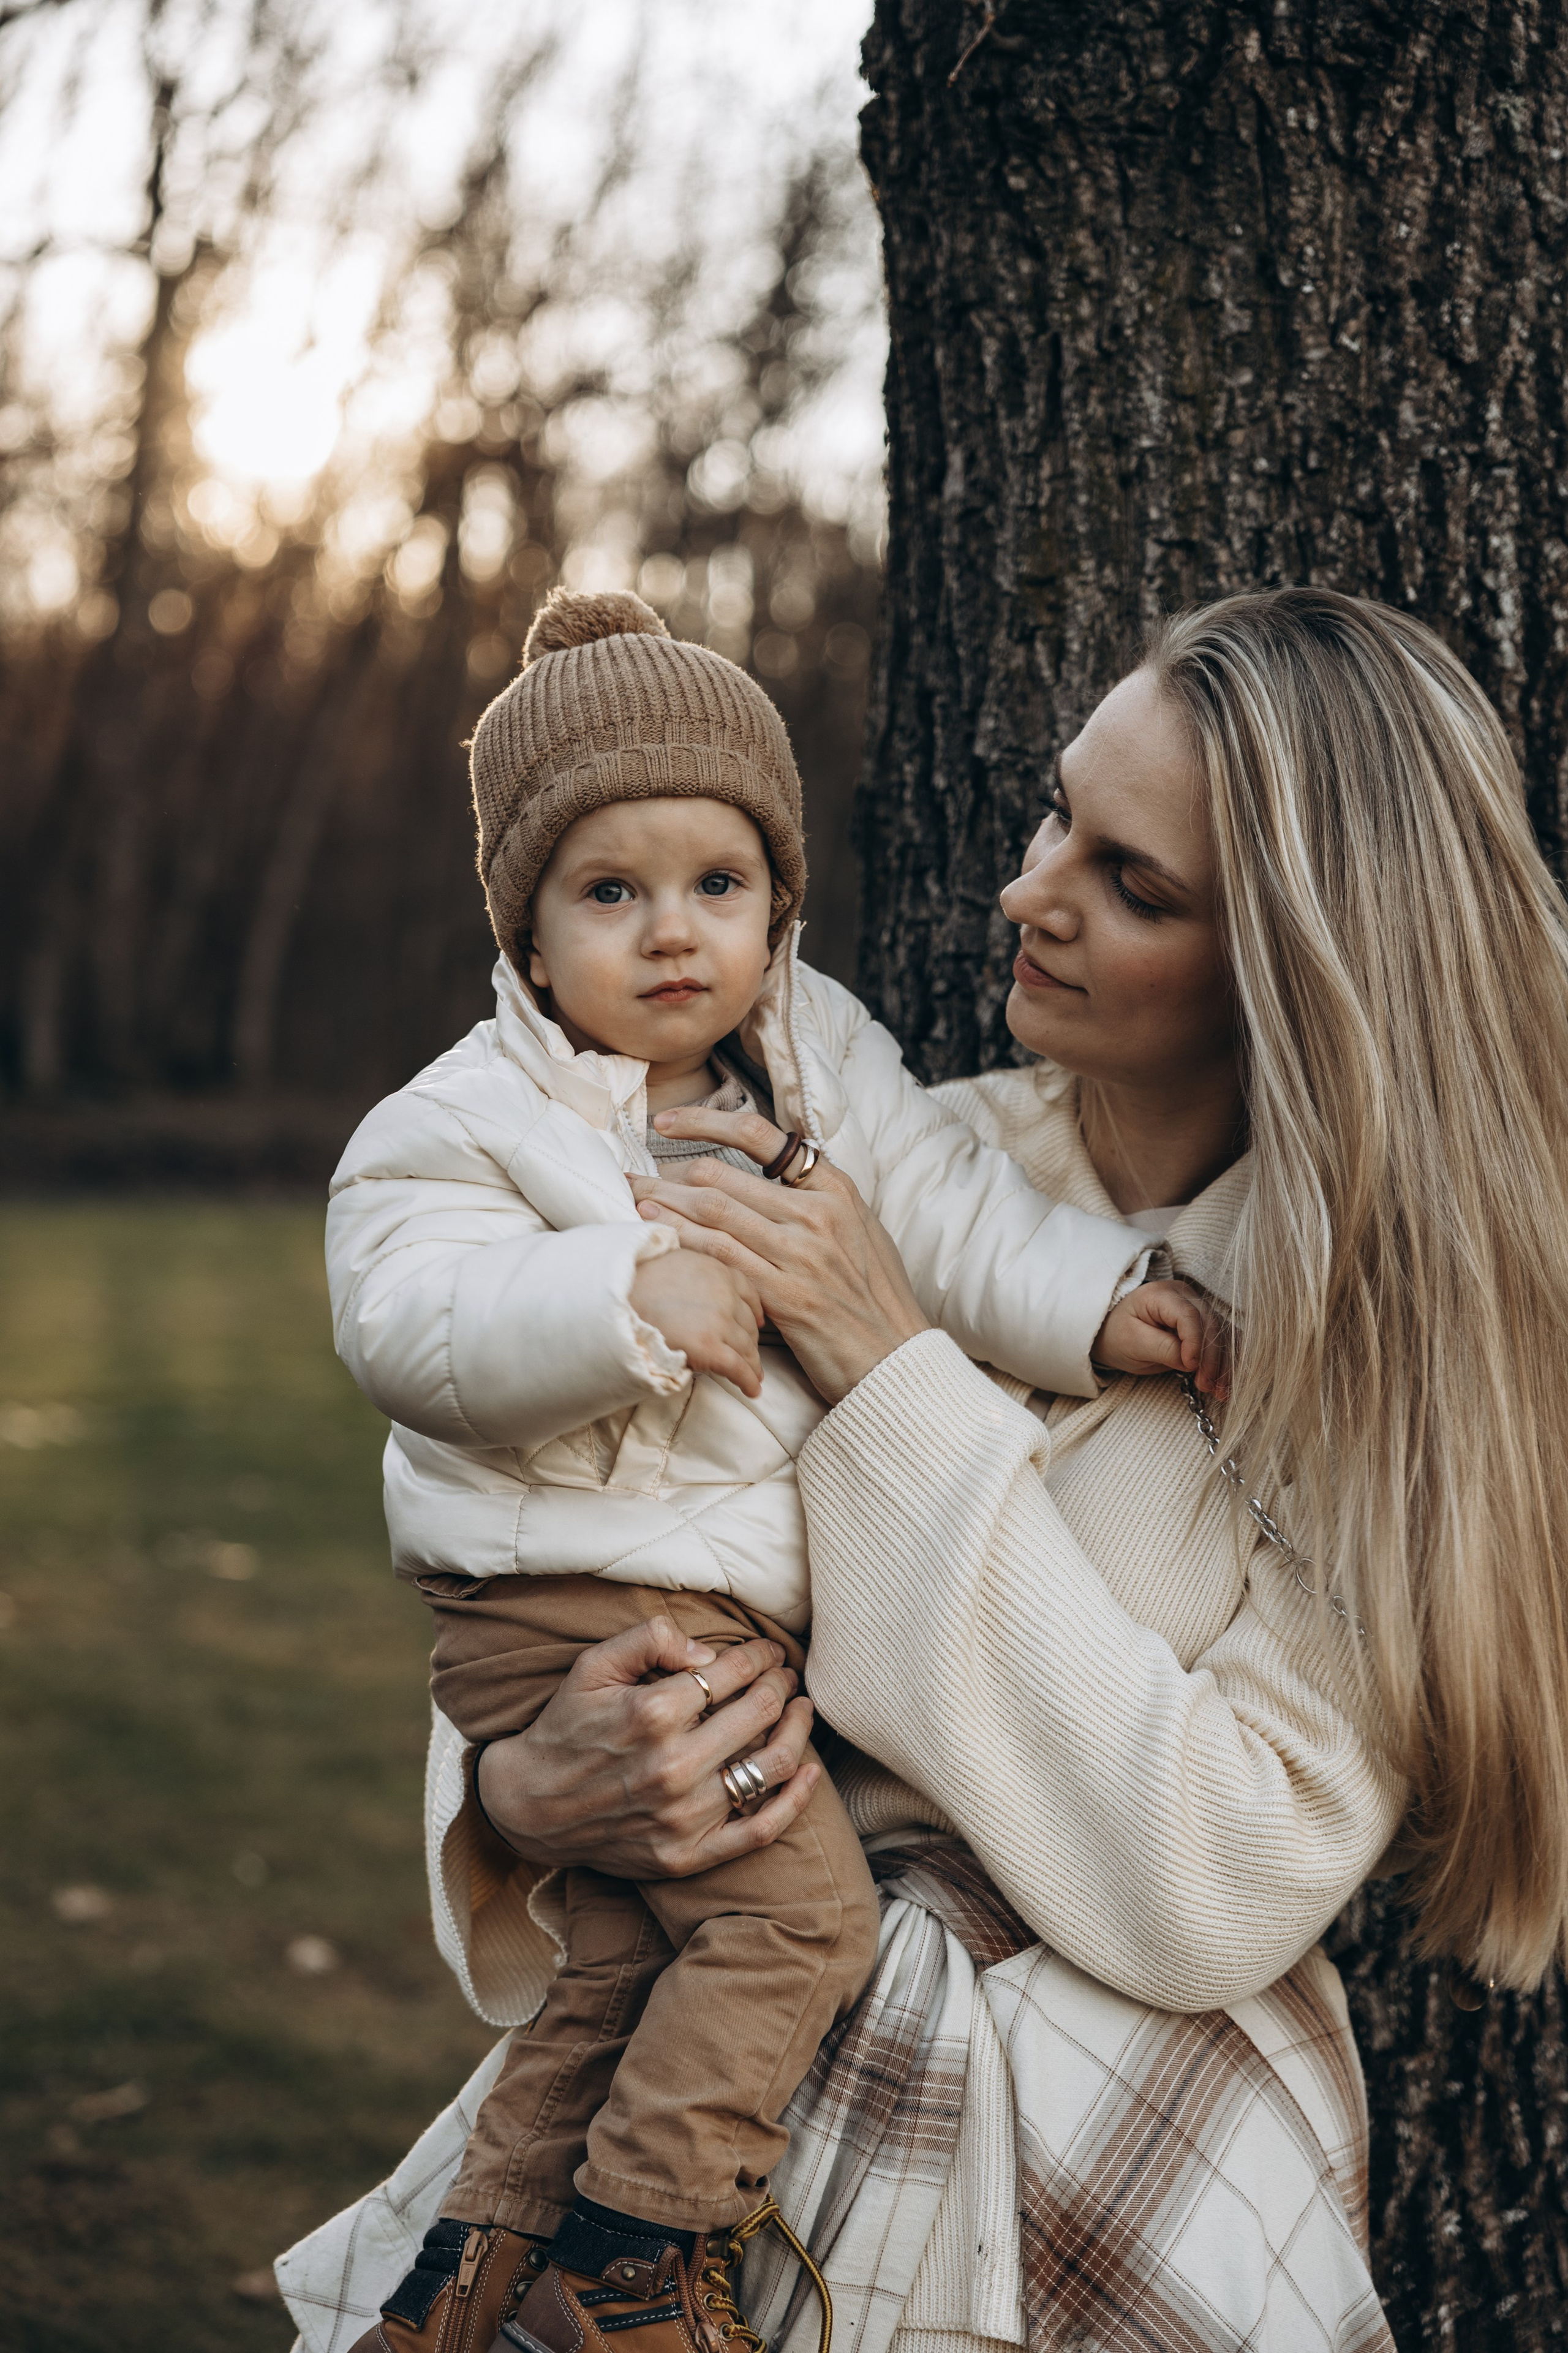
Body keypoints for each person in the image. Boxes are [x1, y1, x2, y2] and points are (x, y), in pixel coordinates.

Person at [279, 587, 1568, 2353]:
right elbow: (586, 1496)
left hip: (1126, 2132)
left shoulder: (1377, 1353)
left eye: (1135, 883)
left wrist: (890, 1367)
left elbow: (1223, 1866)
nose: (1029, 889)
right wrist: (519, 1787)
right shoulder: (868, 1156)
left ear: (1292, 958)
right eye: (1057, 814)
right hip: (730, 2084)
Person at [321, 587, 1212, 2353]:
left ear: (778, 902)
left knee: (628, 1960)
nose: (672, 936)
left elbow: (952, 1227)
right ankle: (640, 2254)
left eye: (717, 887)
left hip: (707, 1608)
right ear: (526, 927)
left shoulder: (823, 1061)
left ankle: (469, 2272)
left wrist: (1104, 1304)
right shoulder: (464, 1121)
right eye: (611, 892)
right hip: (555, 1600)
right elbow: (408, 1324)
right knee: (801, 1920)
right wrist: (622, 1299)